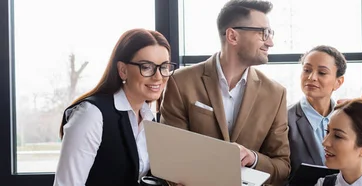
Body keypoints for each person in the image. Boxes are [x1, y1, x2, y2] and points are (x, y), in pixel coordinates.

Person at [159, 0, 289, 185]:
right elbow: (170, 157)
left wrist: (253, 158)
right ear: (232, 36)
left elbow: (282, 168)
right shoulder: (180, 82)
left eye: (270, 33)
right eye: (263, 33)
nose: (270, 42)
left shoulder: (276, 94)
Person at [54, 28, 176, 186]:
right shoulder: (91, 114)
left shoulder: (149, 119)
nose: (158, 76)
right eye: (147, 67)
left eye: (164, 67)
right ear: (123, 70)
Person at [287, 45, 346, 182]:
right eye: (307, 70)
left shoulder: (349, 120)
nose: (311, 77)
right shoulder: (283, 119)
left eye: (322, 73)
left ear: (338, 82)